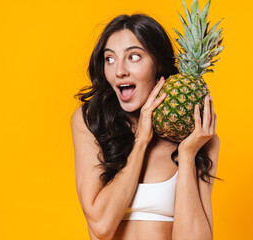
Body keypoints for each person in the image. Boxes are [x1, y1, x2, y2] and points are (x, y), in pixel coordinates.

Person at [71, 13, 220, 240]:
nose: (119, 70)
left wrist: (187, 155)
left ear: (158, 63)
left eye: (134, 57)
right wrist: (141, 141)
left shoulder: (199, 135)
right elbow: (101, 226)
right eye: (109, 59)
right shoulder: (92, 121)